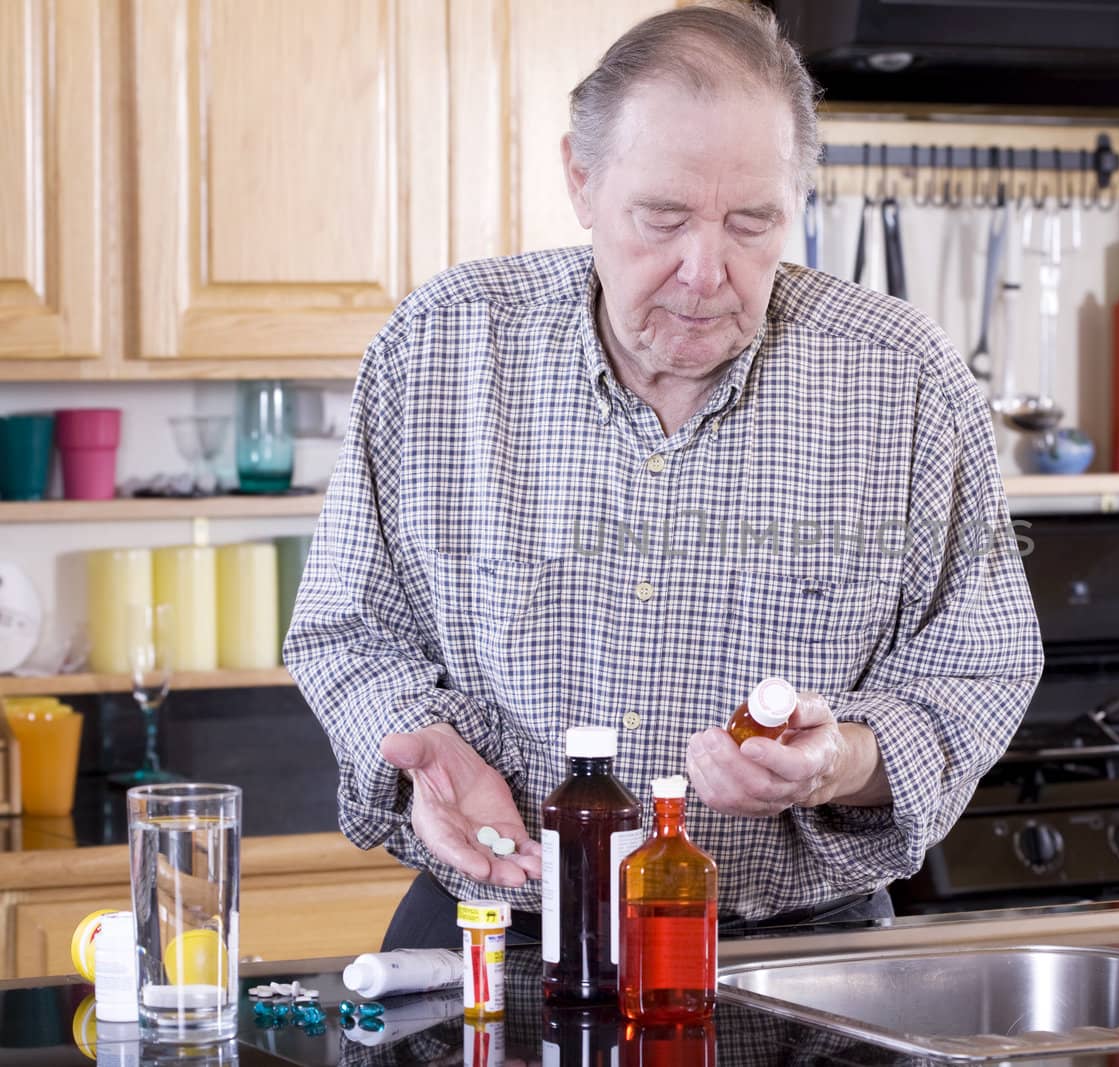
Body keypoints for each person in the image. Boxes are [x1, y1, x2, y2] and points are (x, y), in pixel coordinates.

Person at [284, 1, 1042, 950]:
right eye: (665, 217)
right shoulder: (441, 347)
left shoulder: (904, 377)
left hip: (789, 948)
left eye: (752, 222)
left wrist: (842, 759)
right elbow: (346, 630)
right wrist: (425, 758)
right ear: (581, 179)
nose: (704, 270)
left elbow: (979, 666)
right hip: (494, 923)